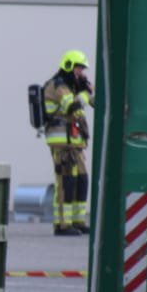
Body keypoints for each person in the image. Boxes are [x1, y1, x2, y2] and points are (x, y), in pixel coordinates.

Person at [43, 49, 94, 235]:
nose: (82, 72)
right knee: (66, 181)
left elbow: (95, 101)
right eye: (79, 68)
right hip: (61, 142)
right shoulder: (58, 86)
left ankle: (78, 221)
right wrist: (84, 95)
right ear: (69, 66)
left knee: (81, 179)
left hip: (75, 142)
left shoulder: (73, 87)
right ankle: (62, 224)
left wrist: (89, 91)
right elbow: (72, 106)